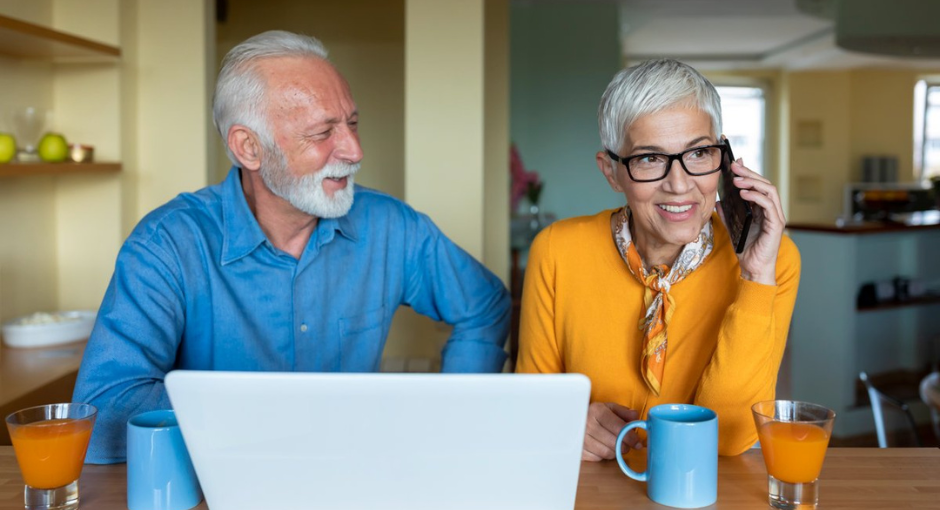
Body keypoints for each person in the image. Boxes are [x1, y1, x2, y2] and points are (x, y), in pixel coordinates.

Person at [73, 30, 510, 464]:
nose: (355, 150)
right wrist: (273, 426)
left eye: (352, 123)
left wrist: (458, 414)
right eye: (323, 132)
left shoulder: (391, 225)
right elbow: (107, 410)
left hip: (350, 480)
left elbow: (485, 305)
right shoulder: (166, 244)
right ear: (249, 147)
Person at [516, 59, 800, 459]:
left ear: (723, 157)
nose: (679, 184)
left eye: (699, 153)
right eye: (649, 159)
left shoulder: (773, 261)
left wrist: (755, 277)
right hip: (594, 489)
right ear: (612, 172)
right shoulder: (557, 250)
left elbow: (730, 436)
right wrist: (567, 422)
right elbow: (530, 409)